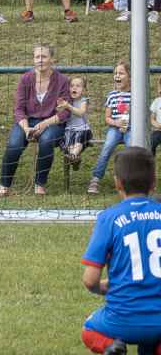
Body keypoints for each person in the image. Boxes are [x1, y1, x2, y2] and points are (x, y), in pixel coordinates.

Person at [80, 147, 161, 355]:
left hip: (121, 320)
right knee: (154, 337)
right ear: (153, 182)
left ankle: (112, 347)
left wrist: (105, 287)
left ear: (118, 183)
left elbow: (90, 280)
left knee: (89, 329)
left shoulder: (109, 218)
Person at [0, 43, 69, 197]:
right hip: (27, 121)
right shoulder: (25, 79)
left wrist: (44, 124)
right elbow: (18, 109)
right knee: (14, 145)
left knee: (46, 140)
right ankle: (4, 185)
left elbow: (65, 113)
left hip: (52, 122)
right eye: (37, 57)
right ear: (33, 59)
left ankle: (40, 184)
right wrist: (26, 129)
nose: (40, 60)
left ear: (52, 59)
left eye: (44, 56)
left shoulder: (62, 80)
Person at [88, 61, 132, 195]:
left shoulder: (135, 94)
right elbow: (107, 118)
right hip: (115, 128)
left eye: (121, 73)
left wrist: (129, 119)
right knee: (107, 147)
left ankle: (129, 181)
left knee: (131, 149)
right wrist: (116, 123)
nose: (117, 76)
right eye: (115, 73)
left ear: (130, 76)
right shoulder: (112, 95)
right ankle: (95, 179)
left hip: (131, 128)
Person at [57, 76, 92, 171]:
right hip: (69, 129)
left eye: (78, 86)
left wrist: (68, 106)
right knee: (68, 144)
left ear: (84, 90)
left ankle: (73, 156)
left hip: (83, 129)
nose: (74, 88)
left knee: (78, 142)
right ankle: (75, 159)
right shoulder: (67, 101)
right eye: (72, 86)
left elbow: (80, 113)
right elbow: (60, 113)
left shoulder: (83, 100)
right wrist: (60, 107)